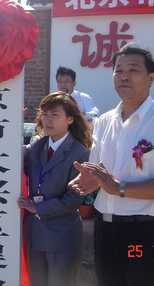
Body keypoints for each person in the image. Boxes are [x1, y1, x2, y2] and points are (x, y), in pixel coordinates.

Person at [69, 45, 154, 286]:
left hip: (147, 234)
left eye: (133, 70)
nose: (124, 76)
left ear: (151, 78)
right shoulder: (104, 121)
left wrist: (119, 188)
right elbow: (101, 173)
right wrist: (90, 181)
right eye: (119, 71)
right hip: (106, 230)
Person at [17, 92, 92, 286]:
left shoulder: (80, 152)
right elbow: (11, 157)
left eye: (55, 115)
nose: (48, 120)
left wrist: (38, 208)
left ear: (70, 119)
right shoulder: (36, 146)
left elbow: (74, 199)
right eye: (45, 114)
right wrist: (11, 125)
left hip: (62, 235)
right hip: (35, 233)